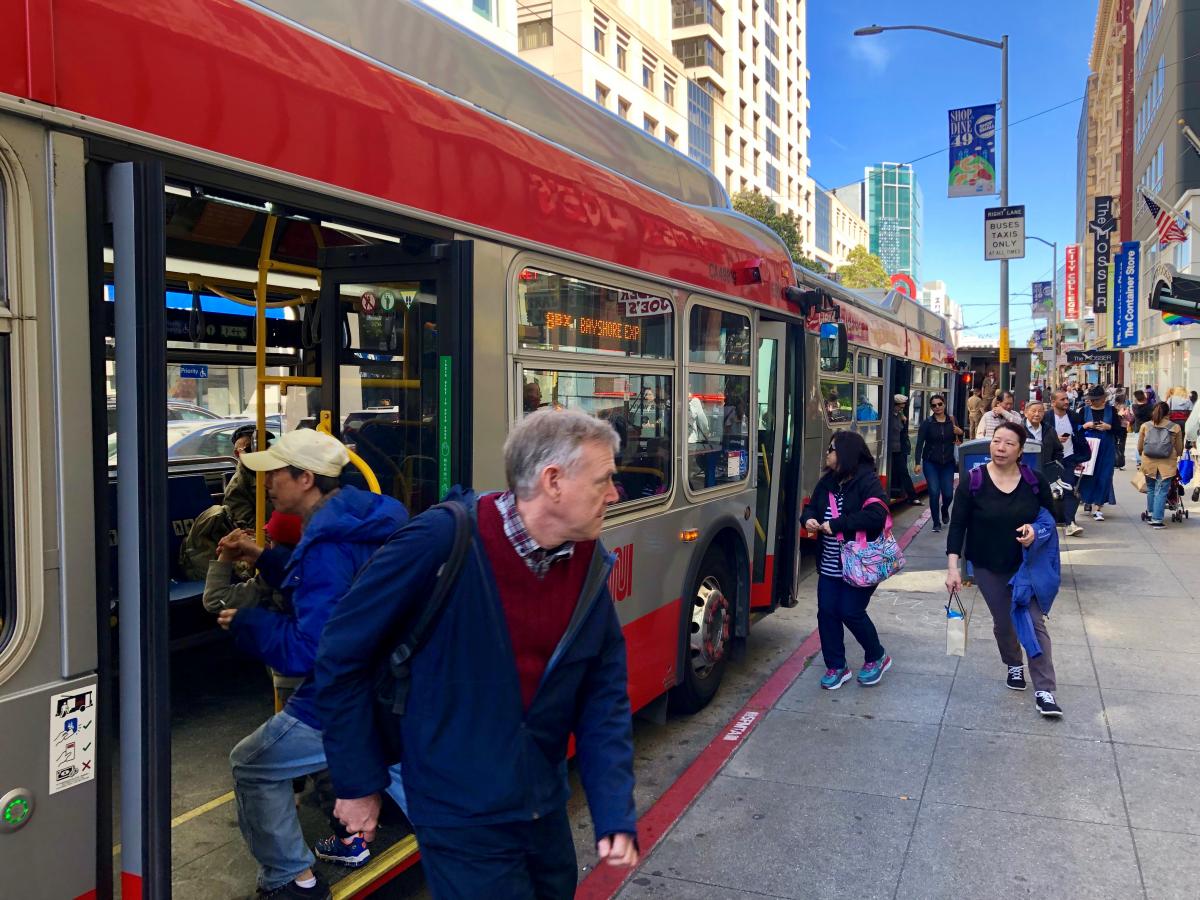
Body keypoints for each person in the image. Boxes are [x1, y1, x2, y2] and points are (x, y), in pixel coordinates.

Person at [315, 410, 638, 899]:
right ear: (553, 481)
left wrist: (613, 809)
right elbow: (341, 655)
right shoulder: (443, 540)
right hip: (457, 809)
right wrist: (358, 783)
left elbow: (603, 690)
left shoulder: (586, 560)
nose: (614, 493)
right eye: (604, 480)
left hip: (542, 805)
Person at [221, 429, 410, 899]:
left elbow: (313, 648)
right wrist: (265, 557)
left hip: (347, 692)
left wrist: (247, 623)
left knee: (251, 763)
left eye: (275, 474)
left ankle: (291, 879)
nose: (266, 484)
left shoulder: (325, 543)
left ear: (305, 478)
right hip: (390, 679)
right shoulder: (358, 520)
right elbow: (334, 591)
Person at [946, 423, 1063, 717]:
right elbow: (957, 526)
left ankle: (1044, 690)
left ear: (1020, 450)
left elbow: (1049, 519)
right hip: (988, 565)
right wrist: (953, 569)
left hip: (1027, 565)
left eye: (1009, 443)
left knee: (1034, 621)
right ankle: (1013, 663)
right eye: (997, 441)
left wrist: (1035, 531)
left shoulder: (1034, 481)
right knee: (1005, 621)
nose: (1000, 447)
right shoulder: (973, 482)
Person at [801, 430, 893, 690]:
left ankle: (877, 656)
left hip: (861, 562)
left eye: (831, 449)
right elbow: (811, 507)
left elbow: (877, 514)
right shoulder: (828, 482)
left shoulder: (867, 480)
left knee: (850, 611)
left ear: (845, 453)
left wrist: (837, 524)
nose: (828, 454)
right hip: (830, 563)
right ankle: (836, 666)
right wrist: (807, 518)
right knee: (827, 612)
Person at [914, 393, 962, 533]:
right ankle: (936, 522)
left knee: (948, 494)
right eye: (934, 405)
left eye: (940, 404)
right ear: (931, 407)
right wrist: (917, 462)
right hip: (930, 462)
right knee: (934, 492)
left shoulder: (952, 421)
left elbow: (959, 442)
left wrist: (960, 432)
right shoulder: (927, 423)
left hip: (948, 463)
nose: (937, 407)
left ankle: (944, 509)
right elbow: (919, 444)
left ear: (944, 404)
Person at [1138, 401, 1185, 528]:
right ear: (1168, 413)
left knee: (1151, 488)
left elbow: (1140, 447)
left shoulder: (1145, 426)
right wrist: (1178, 454)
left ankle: (1151, 513)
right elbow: (1179, 448)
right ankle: (1157, 520)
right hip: (1167, 464)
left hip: (1148, 462)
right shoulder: (1175, 427)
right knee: (1162, 490)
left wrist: (1142, 456)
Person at [1078, 385, 1118, 521]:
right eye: (1092, 399)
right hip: (1088, 445)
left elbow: (1120, 431)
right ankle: (1087, 499)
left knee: (1104, 475)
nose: (1093, 402)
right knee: (1087, 474)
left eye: (1096, 399)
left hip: (1106, 447)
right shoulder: (1083, 411)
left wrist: (1109, 427)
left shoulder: (1111, 411)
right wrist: (1085, 426)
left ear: (1104, 399)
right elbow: (1075, 429)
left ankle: (1098, 507)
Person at [1050, 390, 1086, 537]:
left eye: (1066, 399)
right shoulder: (1046, 418)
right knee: (1050, 491)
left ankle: (1069, 522)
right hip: (1051, 460)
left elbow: (1080, 438)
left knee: (1070, 488)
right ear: (1053, 402)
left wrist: (1079, 458)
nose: (1066, 402)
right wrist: (1055, 439)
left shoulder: (1074, 417)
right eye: (1062, 399)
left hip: (1069, 457)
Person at [888, 394, 920, 505]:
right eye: (900, 407)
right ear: (894, 405)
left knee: (904, 472)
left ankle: (913, 496)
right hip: (890, 449)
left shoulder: (899, 415)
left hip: (898, 449)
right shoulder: (889, 416)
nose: (902, 409)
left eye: (903, 407)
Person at [1023, 401, 1064, 472]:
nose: (1037, 414)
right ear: (1026, 413)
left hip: (1044, 473)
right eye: (1033, 411)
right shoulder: (1018, 430)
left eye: (1040, 411)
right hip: (1023, 472)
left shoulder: (1050, 430)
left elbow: (1058, 451)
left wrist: (1052, 468)